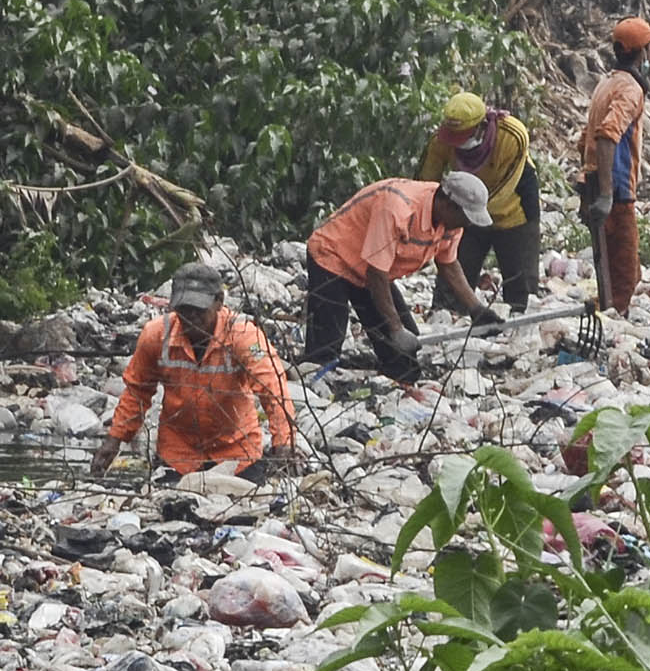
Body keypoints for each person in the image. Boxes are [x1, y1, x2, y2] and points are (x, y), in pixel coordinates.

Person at [95, 265, 299, 478]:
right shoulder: (156, 336)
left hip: (237, 452)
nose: (190, 318)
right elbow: (137, 392)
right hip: (179, 455)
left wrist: (284, 443)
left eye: (198, 310)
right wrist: (115, 439)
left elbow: (272, 390)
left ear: (218, 301)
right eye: (184, 310)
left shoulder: (244, 337)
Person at [301, 170, 492, 380]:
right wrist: (395, 328)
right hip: (334, 256)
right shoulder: (398, 208)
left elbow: (448, 264)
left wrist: (476, 309)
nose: (469, 224)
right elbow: (376, 273)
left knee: (405, 362)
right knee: (324, 351)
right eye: (466, 217)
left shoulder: (452, 222)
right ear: (448, 205)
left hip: (369, 271)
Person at [576, 18, 650, 317]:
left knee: (609, 267)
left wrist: (587, 180)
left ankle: (609, 315)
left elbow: (584, 137)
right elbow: (606, 134)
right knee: (625, 273)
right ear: (641, 52)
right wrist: (605, 193)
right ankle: (615, 325)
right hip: (616, 190)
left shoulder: (607, 83)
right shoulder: (630, 90)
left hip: (596, 182)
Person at [420, 91, 541, 312]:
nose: (457, 142)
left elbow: (506, 188)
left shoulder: (512, 136)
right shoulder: (441, 140)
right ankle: (448, 317)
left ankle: (519, 322)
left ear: (481, 126)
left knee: (520, 282)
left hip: (514, 208)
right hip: (465, 209)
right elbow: (425, 185)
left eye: (463, 135)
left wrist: (467, 213)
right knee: (454, 274)